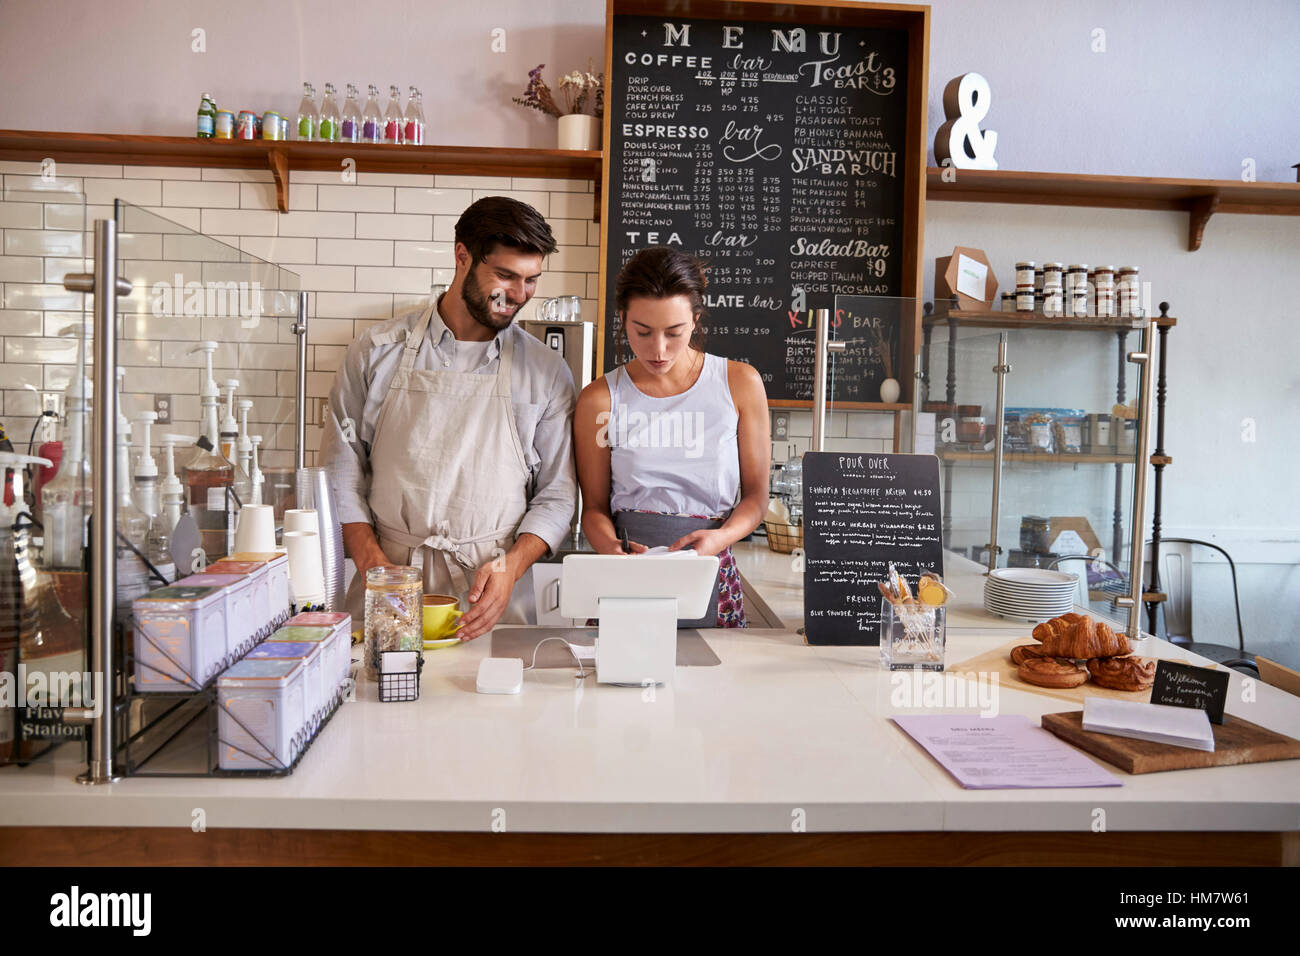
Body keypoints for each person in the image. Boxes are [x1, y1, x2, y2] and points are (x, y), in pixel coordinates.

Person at [320, 196, 577, 640]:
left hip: (491, 595)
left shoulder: (546, 372)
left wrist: (512, 567)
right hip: (389, 585)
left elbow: (557, 493)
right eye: (505, 276)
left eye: (531, 280)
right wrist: (374, 566)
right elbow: (340, 471)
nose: (518, 295)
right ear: (462, 256)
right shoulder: (375, 352)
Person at [573, 247, 770, 627]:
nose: (658, 349)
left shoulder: (741, 384)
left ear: (695, 320)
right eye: (642, 332)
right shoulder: (599, 399)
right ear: (623, 319)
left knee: (714, 682)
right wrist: (612, 551)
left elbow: (756, 497)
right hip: (626, 577)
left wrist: (720, 538)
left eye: (674, 332)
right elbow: (594, 508)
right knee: (619, 676)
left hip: (709, 571)